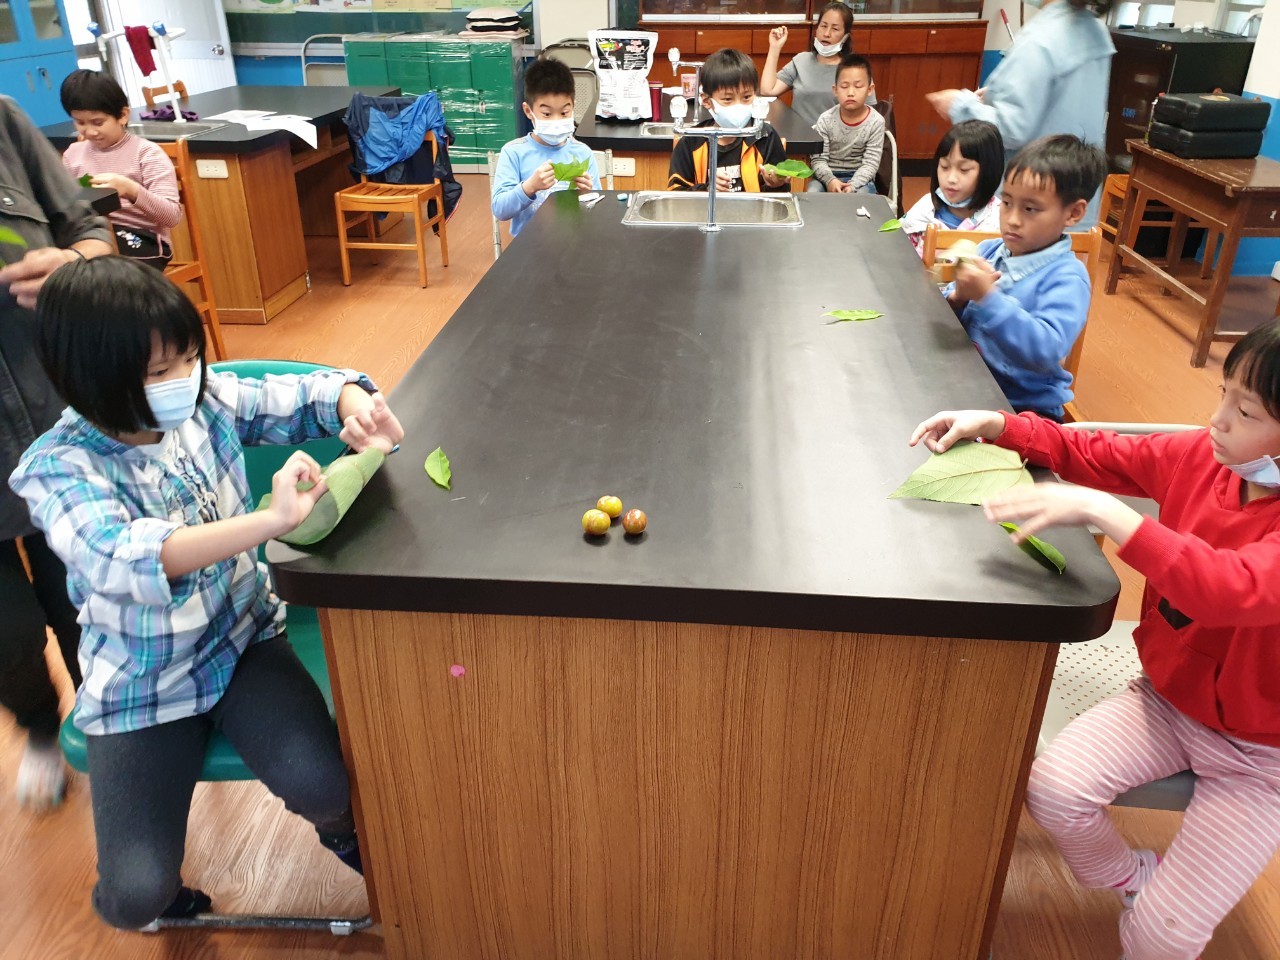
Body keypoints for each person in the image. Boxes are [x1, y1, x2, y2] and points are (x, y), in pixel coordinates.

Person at [9, 256, 404, 929]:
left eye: (189, 358)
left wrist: (356, 407)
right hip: (142, 685)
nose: (184, 379)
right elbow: (125, 556)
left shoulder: (204, 399)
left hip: (243, 642)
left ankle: (347, 837)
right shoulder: (57, 467)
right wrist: (270, 521)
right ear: (89, 377)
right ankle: (163, 895)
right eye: (159, 370)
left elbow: (303, 393)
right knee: (135, 895)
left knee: (325, 785)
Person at [908, 317, 1280, 960]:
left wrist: (1102, 510)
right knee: (1053, 791)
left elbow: (1229, 589)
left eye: (1245, 411)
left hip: (1260, 758)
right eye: (1224, 394)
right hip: (1166, 701)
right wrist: (1000, 426)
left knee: (1163, 941)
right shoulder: (1203, 457)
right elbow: (1102, 452)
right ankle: (1133, 877)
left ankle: (1151, 916)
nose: (1216, 420)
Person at [0, 96, 113, 813]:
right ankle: (40, 726)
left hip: (56, 424)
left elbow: (92, 232)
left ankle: (105, 722)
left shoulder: (4, 123)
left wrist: (71, 263)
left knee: (85, 601)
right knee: (7, 637)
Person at [941, 134, 1106, 421]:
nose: (1013, 219)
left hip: (1023, 411)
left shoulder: (1068, 278)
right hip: (968, 385)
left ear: (1074, 212)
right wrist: (957, 298)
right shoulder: (989, 251)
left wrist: (987, 298)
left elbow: (1046, 349)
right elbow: (949, 314)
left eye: (1030, 209)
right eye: (1006, 203)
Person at [924, 0, 1113, 226]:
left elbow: (1011, 129)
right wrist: (995, 96)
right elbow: (1060, 104)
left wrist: (959, 105)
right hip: (1073, 202)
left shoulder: (1043, 39)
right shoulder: (1094, 30)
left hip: (1032, 206)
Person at [59, 70, 182, 271]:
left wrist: (130, 189)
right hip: (92, 235)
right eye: (80, 123)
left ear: (123, 115)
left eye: (98, 122)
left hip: (140, 238)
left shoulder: (147, 153)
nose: (90, 131)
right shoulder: (73, 154)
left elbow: (171, 216)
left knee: (101, 271)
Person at [491, 57, 600, 239]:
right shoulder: (513, 152)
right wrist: (530, 187)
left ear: (573, 107)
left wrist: (588, 194)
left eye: (564, 112)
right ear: (528, 111)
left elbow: (598, 211)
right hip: (529, 246)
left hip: (574, 242)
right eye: (547, 114)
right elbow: (500, 210)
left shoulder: (582, 153)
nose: (557, 120)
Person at [668, 49, 788, 194]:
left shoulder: (765, 137)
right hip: (706, 209)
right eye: (727, 99)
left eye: (746, 97)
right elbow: (675, 195)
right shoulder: (691, 142)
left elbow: (782, 196)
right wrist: (707, 189)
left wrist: (776, 185)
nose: (738, 106)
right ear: (707, 101)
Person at [759, 2, 874, 127]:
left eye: (835, 29)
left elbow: (870, 114)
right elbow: (767, 90)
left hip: (836, 136)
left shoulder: (854, 69)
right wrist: (775, 47)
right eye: (823, 26)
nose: (827, 34)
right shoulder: (801, 61)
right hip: (798, 135)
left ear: (845, 36)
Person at [900, 120, 1004, 255]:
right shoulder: (925, 209)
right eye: (944, 167)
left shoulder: (999, 223)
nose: (951, 179)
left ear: (989, 171)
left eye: (964, 169)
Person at [808, 54, 883, 195]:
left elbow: (870, 164)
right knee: (812, 192)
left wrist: (853, 185)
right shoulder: (825, 119)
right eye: (844, 86)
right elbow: (818, 160)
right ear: (835, 90)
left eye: (858, 86)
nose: (850, 93)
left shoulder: (876, 122)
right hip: (827, 176)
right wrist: (830, 180)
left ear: (870, 89)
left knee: (863, 198)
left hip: (860, 179)